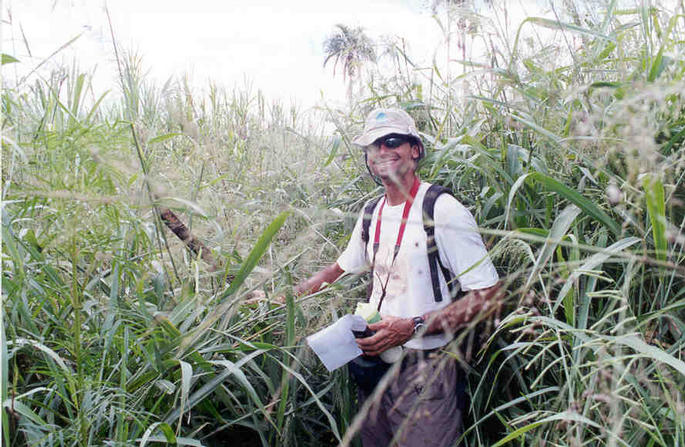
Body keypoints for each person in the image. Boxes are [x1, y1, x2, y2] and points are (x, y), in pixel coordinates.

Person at [290, 108, 500, 446]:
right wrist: (283, 298)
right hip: (372, 368)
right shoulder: (372, 212)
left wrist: (412, 326)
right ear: (368, 160)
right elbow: (338, 269)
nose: (383, 151)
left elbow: (489, 296)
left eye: (392, 141)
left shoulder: (441, 209)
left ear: (415, 150)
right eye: (374, 146)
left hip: (424, 372)